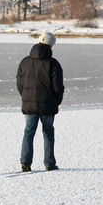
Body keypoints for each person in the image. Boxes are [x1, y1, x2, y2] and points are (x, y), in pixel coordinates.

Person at [16, 31, 64, 172]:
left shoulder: (25, 62)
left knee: (29, 132)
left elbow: (19, 83)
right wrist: (57, 101)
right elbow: (58, 87)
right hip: (48, 105)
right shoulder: (53, 64)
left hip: (29, 104)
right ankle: (49, 164)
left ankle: (25, 163)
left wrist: (26, 97)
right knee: (48, 133)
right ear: (51, 46)